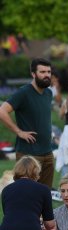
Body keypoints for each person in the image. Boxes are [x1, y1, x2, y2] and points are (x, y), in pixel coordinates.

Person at [0, 58, 54, 188]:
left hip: (48, 152)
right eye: (42, 72)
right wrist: (19, 132)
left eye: (49, 72)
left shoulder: (48, 93)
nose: (46, 75)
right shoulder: (24, 92)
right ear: (33, 74)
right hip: (29, 153)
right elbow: (2, 111)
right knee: (27, 194)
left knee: (46, 194)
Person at [0, 156, 55, 230]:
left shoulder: (6, 190)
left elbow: (8, 214)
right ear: (36, 171)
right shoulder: (43, 190)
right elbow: (50, 225)